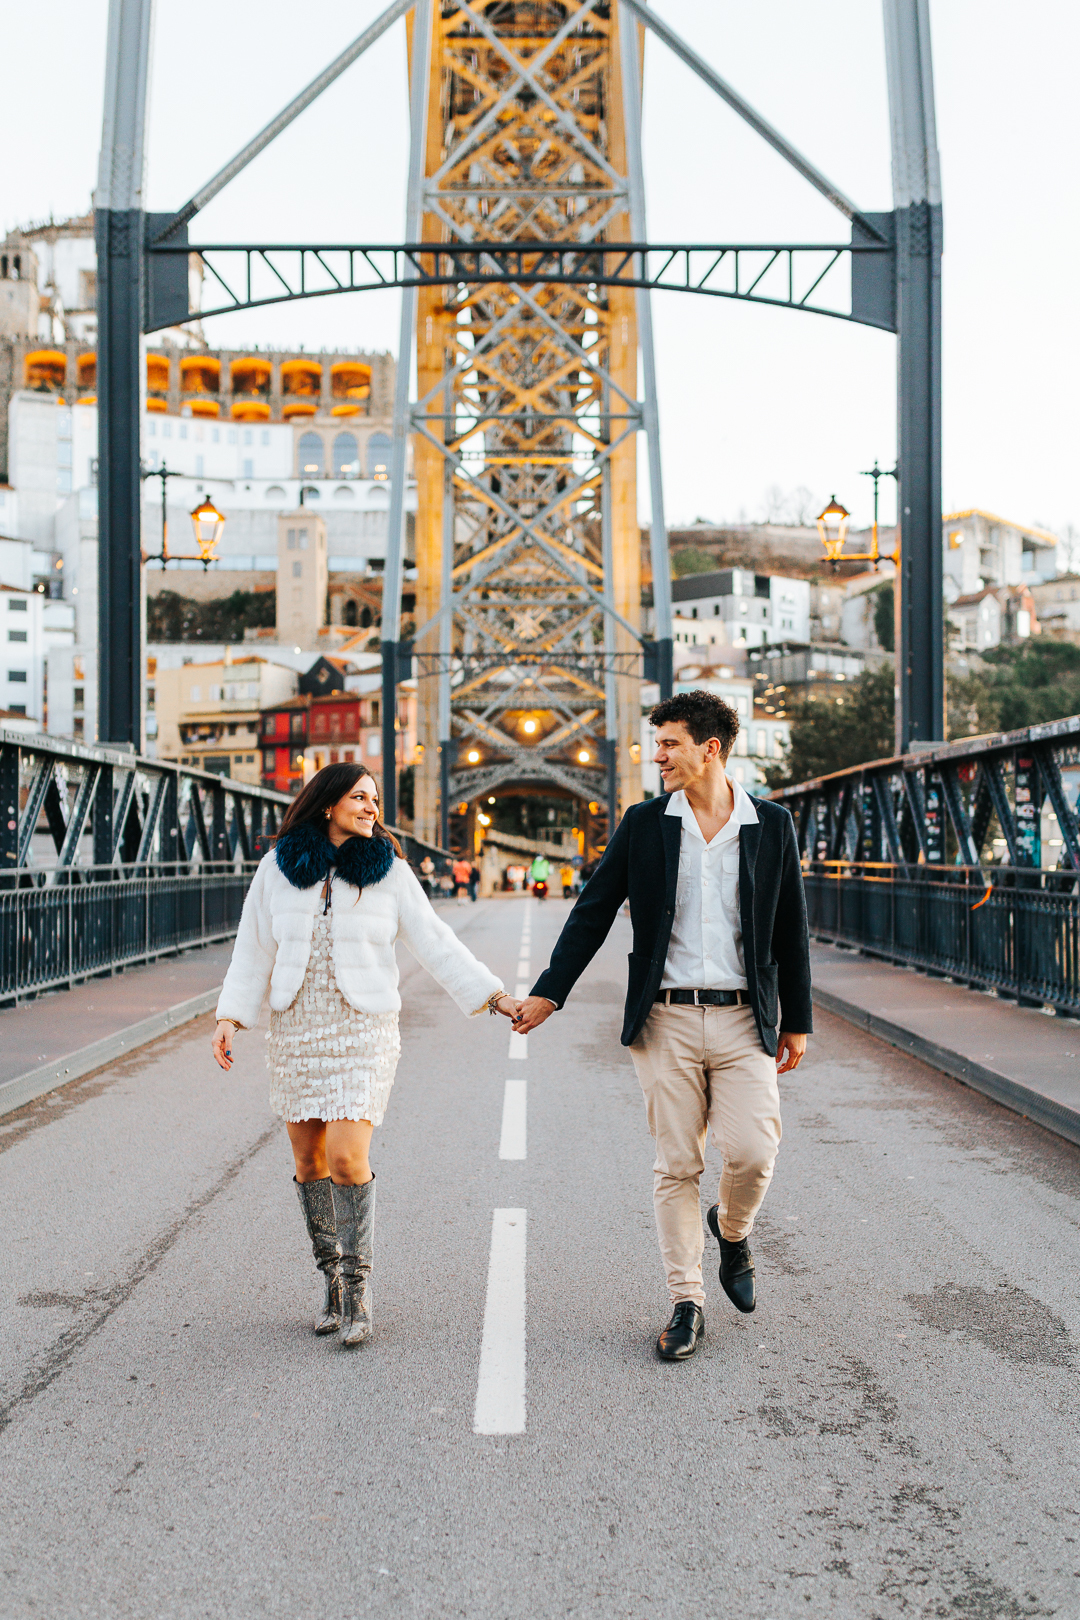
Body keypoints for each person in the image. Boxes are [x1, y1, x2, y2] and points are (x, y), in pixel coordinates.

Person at [512, 691, 812, 1362]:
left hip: (744, 1018)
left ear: (710, 749)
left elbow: (790, 929)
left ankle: (732, 1231)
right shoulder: (644, 824)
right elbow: (592, 911)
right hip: (666, 1019)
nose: (658, 756)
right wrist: (548, 995)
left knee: (754, 1151)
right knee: (677, 1164)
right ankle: (687, 1300)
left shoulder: (773, 825)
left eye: (670, 744)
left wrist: (798, 1020)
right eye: (658, 744)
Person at [212, 763, 520, 1348]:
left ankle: (358, 1290)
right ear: (328, 803)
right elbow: (251, 949)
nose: (371, 807)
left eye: (375, 800)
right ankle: (330, 1277)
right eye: (359, 797)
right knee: (309, 1164)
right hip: (298, 1031)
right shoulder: (276, 871)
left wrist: (494, 995)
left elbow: (435, 941)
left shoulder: (391, 873)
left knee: (349, 1159)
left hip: (363, 1031)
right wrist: (230, 1017)